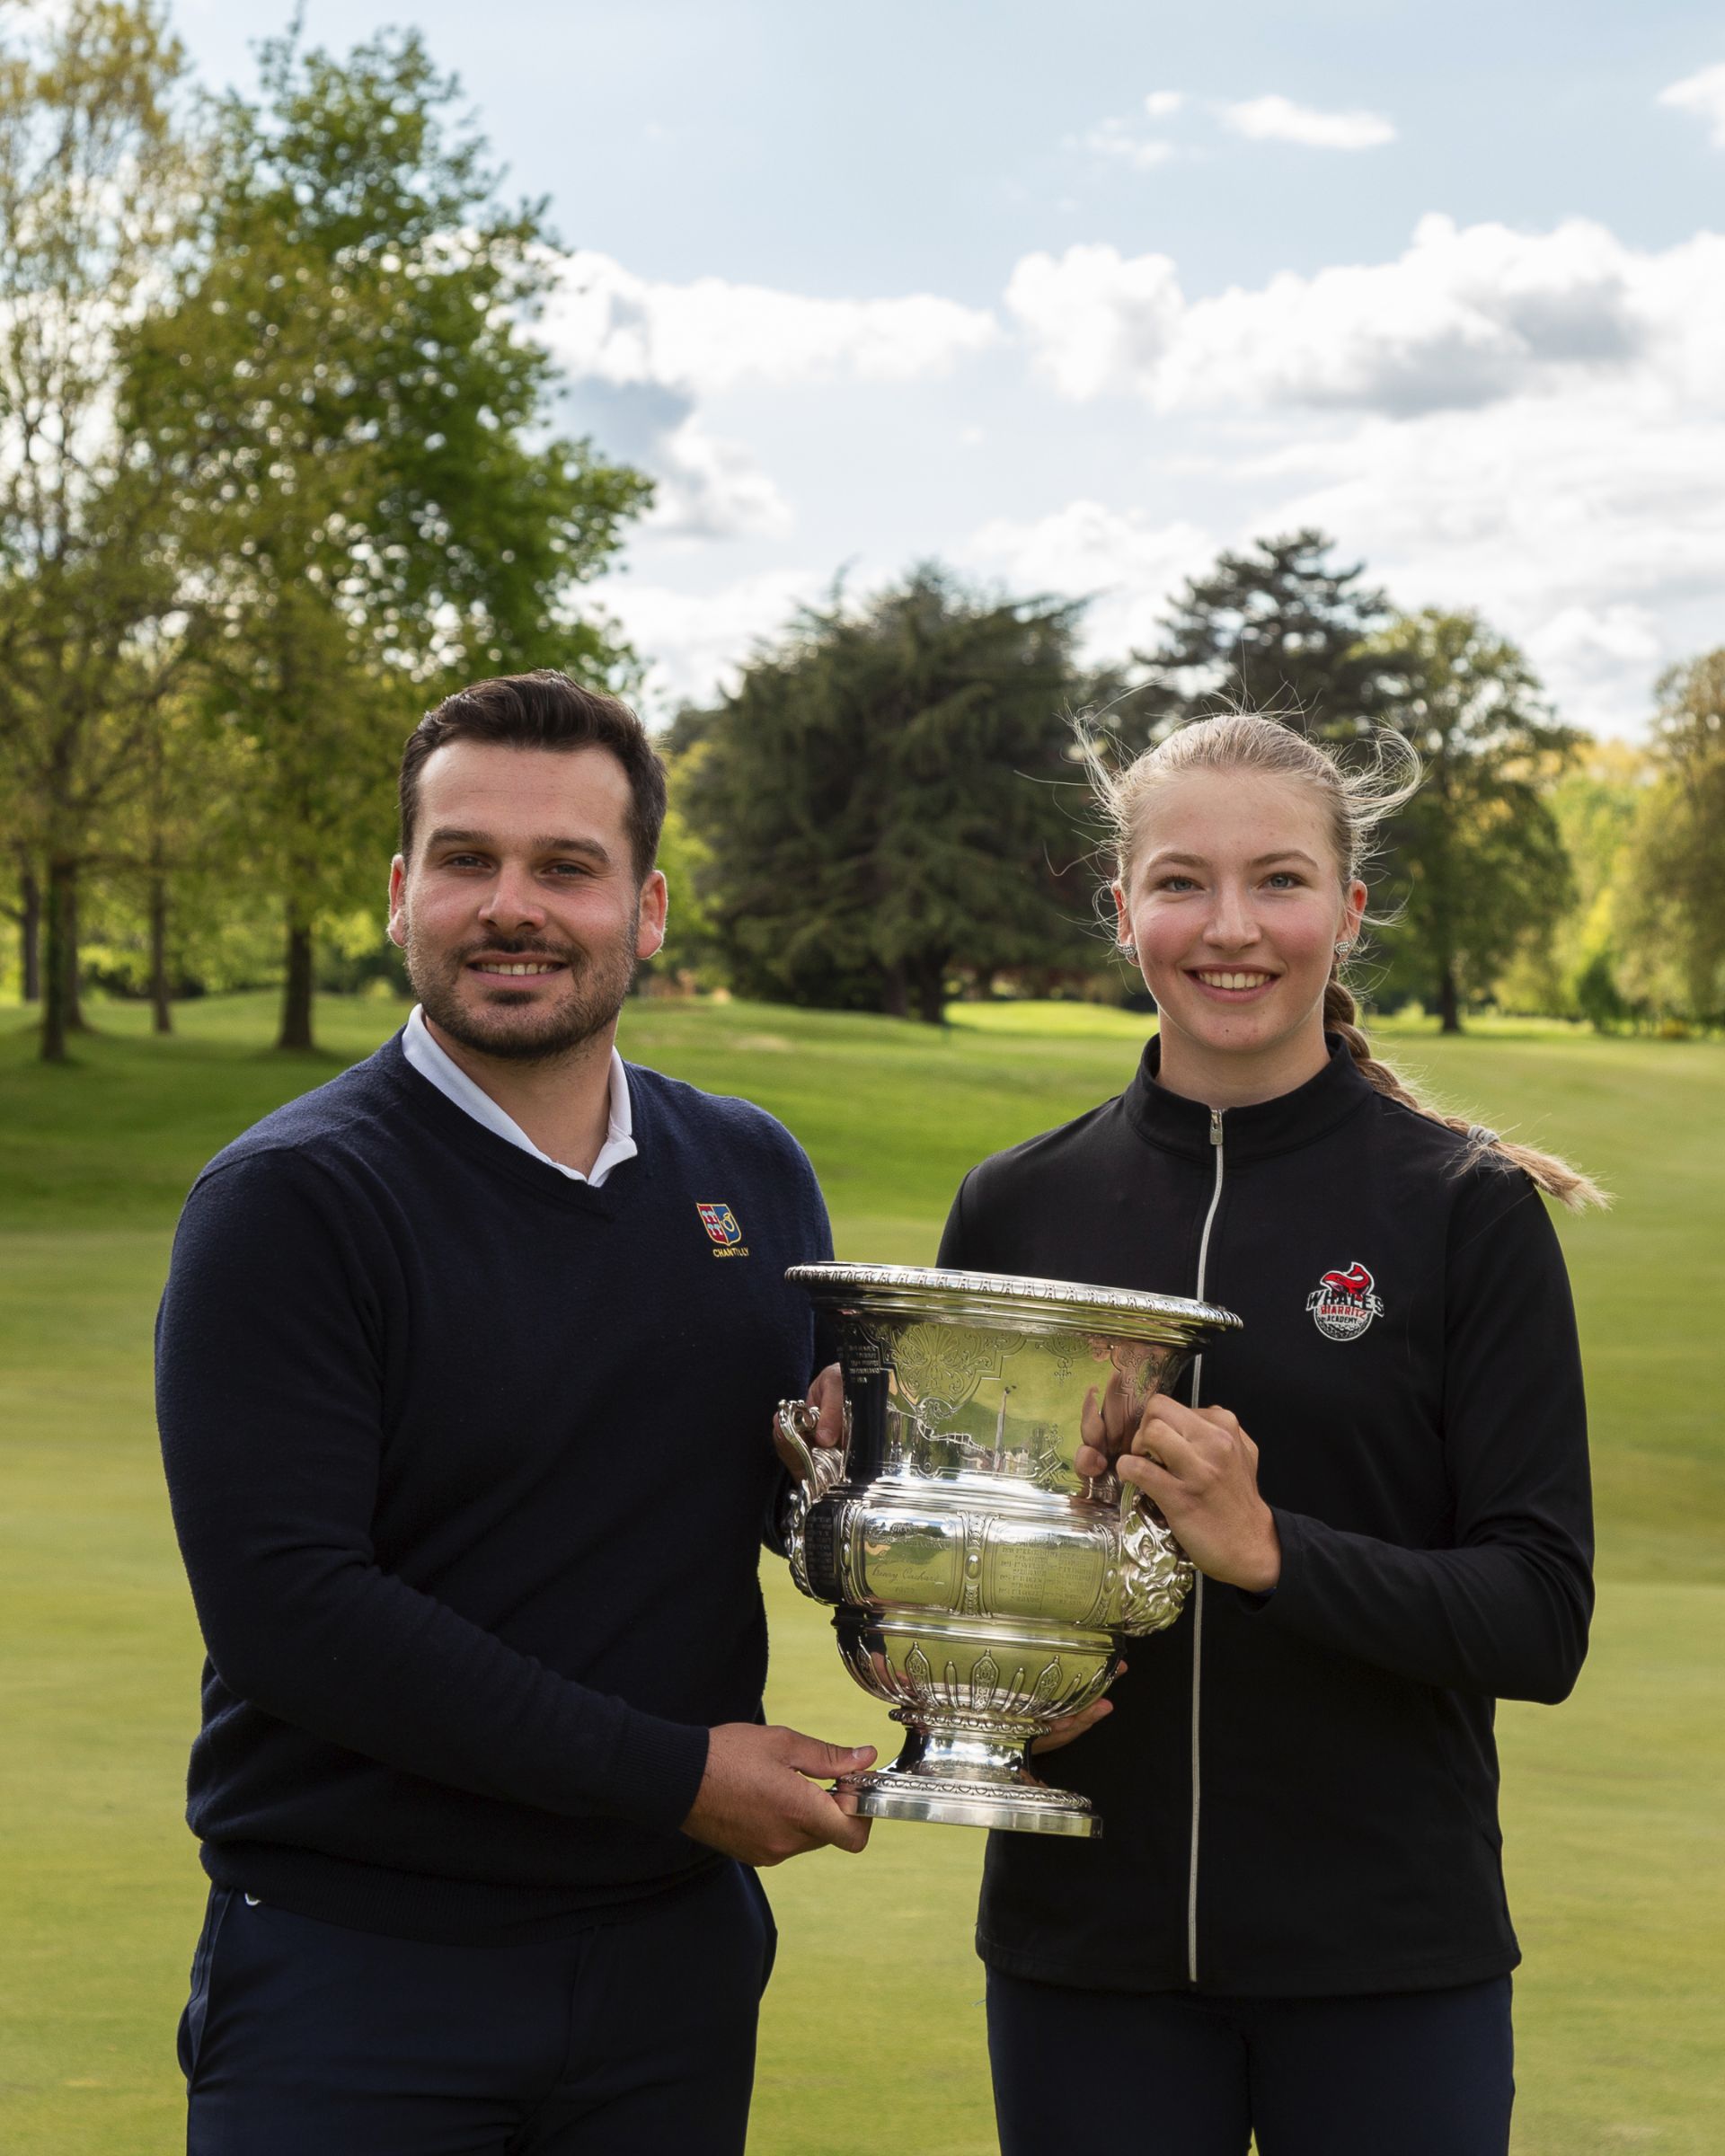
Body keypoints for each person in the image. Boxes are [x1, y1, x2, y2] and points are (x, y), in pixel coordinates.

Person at [156, 671, 871, 2156]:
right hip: (360, 1983)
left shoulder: (748, 1170)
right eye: (468, 860)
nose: (512, 906)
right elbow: (294, 1612)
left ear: (648, 909)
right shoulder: (292, 1202)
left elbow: (804, 1495)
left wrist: (971, 1628)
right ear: (402, 891)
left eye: (567, 868)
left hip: (669, 1973)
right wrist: (679, 1777)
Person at [934, 712, 1601, 2156]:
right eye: (1181, 882)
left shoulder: (1462, 1211)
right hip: (1081, 1959)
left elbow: (1540, 1616)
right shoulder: (1013, 1208)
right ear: (1123, 910)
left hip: (1384, 1969)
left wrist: (1267, 1551)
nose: (1230, 928)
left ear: (1349, 911)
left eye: (1281, 881)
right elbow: (975, 1561)